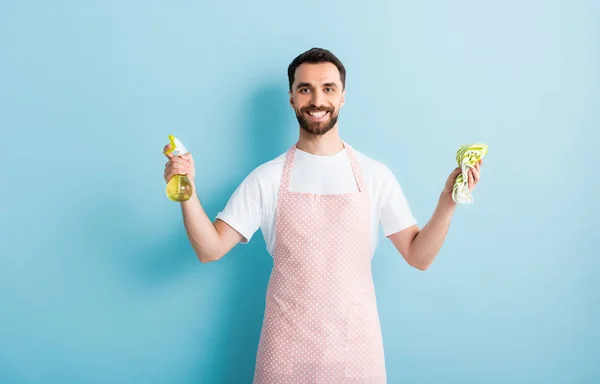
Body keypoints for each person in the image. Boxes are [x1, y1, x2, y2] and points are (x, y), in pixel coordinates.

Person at [163, 47, 483, 383]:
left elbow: (419, 256)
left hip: (356, 351)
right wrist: (186, 190)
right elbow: (209, 249)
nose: (317, 100)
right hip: (284, 352)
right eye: (305, 89)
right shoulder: (267, 178)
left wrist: (448, 201)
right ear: (292, 99)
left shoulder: (376, 176)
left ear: (343, 97)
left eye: (328, 88)